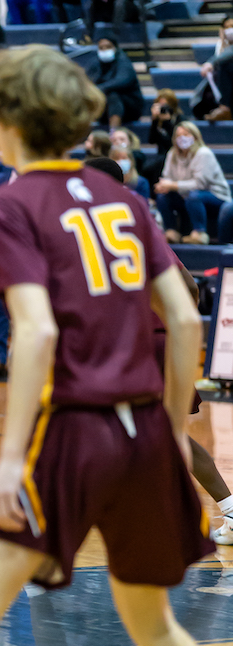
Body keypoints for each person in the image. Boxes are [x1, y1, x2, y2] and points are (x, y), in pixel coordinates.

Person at [0, 45, 212, 646]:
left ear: (6, 119)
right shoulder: (126, 199)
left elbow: (36, 332)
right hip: (143, 433)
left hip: (72, 430)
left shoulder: (4, 206)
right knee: (156, 628)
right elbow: (188, 319)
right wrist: (167, 429)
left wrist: (10, 462)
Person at [86, 154, 233, 549]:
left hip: (139, 343)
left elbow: (183, 286)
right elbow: (189, 286)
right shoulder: (134, 221)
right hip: (160, 340)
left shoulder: (103, 226)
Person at [155, 121, 232, 244]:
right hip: (186, 196)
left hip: (214, 196)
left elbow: (199, 184)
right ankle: (171, 231)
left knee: (194, 195)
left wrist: (172, 185)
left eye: (186, 134)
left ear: (195, 136)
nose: (182, 138)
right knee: (163, 196)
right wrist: (163, 186)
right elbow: (167, 177)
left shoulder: (203, 153)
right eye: (178, 135)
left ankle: (199, 233)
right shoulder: (172, 153)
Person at [86, 31, 143, 128]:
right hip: (104, 108)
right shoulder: (96, 64)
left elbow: (122, 81)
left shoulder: (123, 62)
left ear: (115, 48)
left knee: (112, 95)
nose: (104, 50)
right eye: (101, 48)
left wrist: (99, 88)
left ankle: (114, 134)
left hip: (129, 107)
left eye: (108, 47)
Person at [145, 89, 184, 186]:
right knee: (147, 169)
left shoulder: (180, 120)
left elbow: (173, 142)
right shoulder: (158, 120)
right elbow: (151, 140)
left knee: (159, 165)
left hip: (177, 154)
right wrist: (154, 121)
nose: (163, 108)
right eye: (160, 105)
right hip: (161, 155)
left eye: (166, 105)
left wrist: (167, 122)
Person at [200, 16, 233, 121]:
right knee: (206, 96)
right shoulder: (221, 44)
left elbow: (227, 55)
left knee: (226, 65)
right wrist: (224, 42)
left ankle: (225, 108)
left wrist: (210, 63)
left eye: (232, 26)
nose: (230, 30)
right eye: (227, 27)